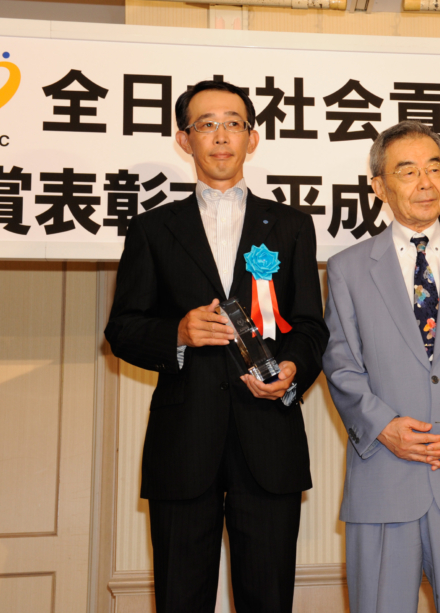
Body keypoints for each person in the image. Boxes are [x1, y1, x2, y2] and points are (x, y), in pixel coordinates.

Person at [104, 80, 329, 613]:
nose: (221, 135)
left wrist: (292, 369)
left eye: (233, 123)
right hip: (183, 442)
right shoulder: (152, 229)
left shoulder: (292, 226)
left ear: (253, 138)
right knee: (180, 597)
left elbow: (310, 326)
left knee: (268, 598)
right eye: (206, 124)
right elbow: (122, 328)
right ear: (185, 140)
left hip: (269, 436)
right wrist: (178, 334)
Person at [322, 121, 440, 613]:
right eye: (408, 171)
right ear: (379, 187)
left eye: (435, 168)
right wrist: (383, 427)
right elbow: (341, 364)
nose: (426, 182)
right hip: (384, 475)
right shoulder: (347, 268)